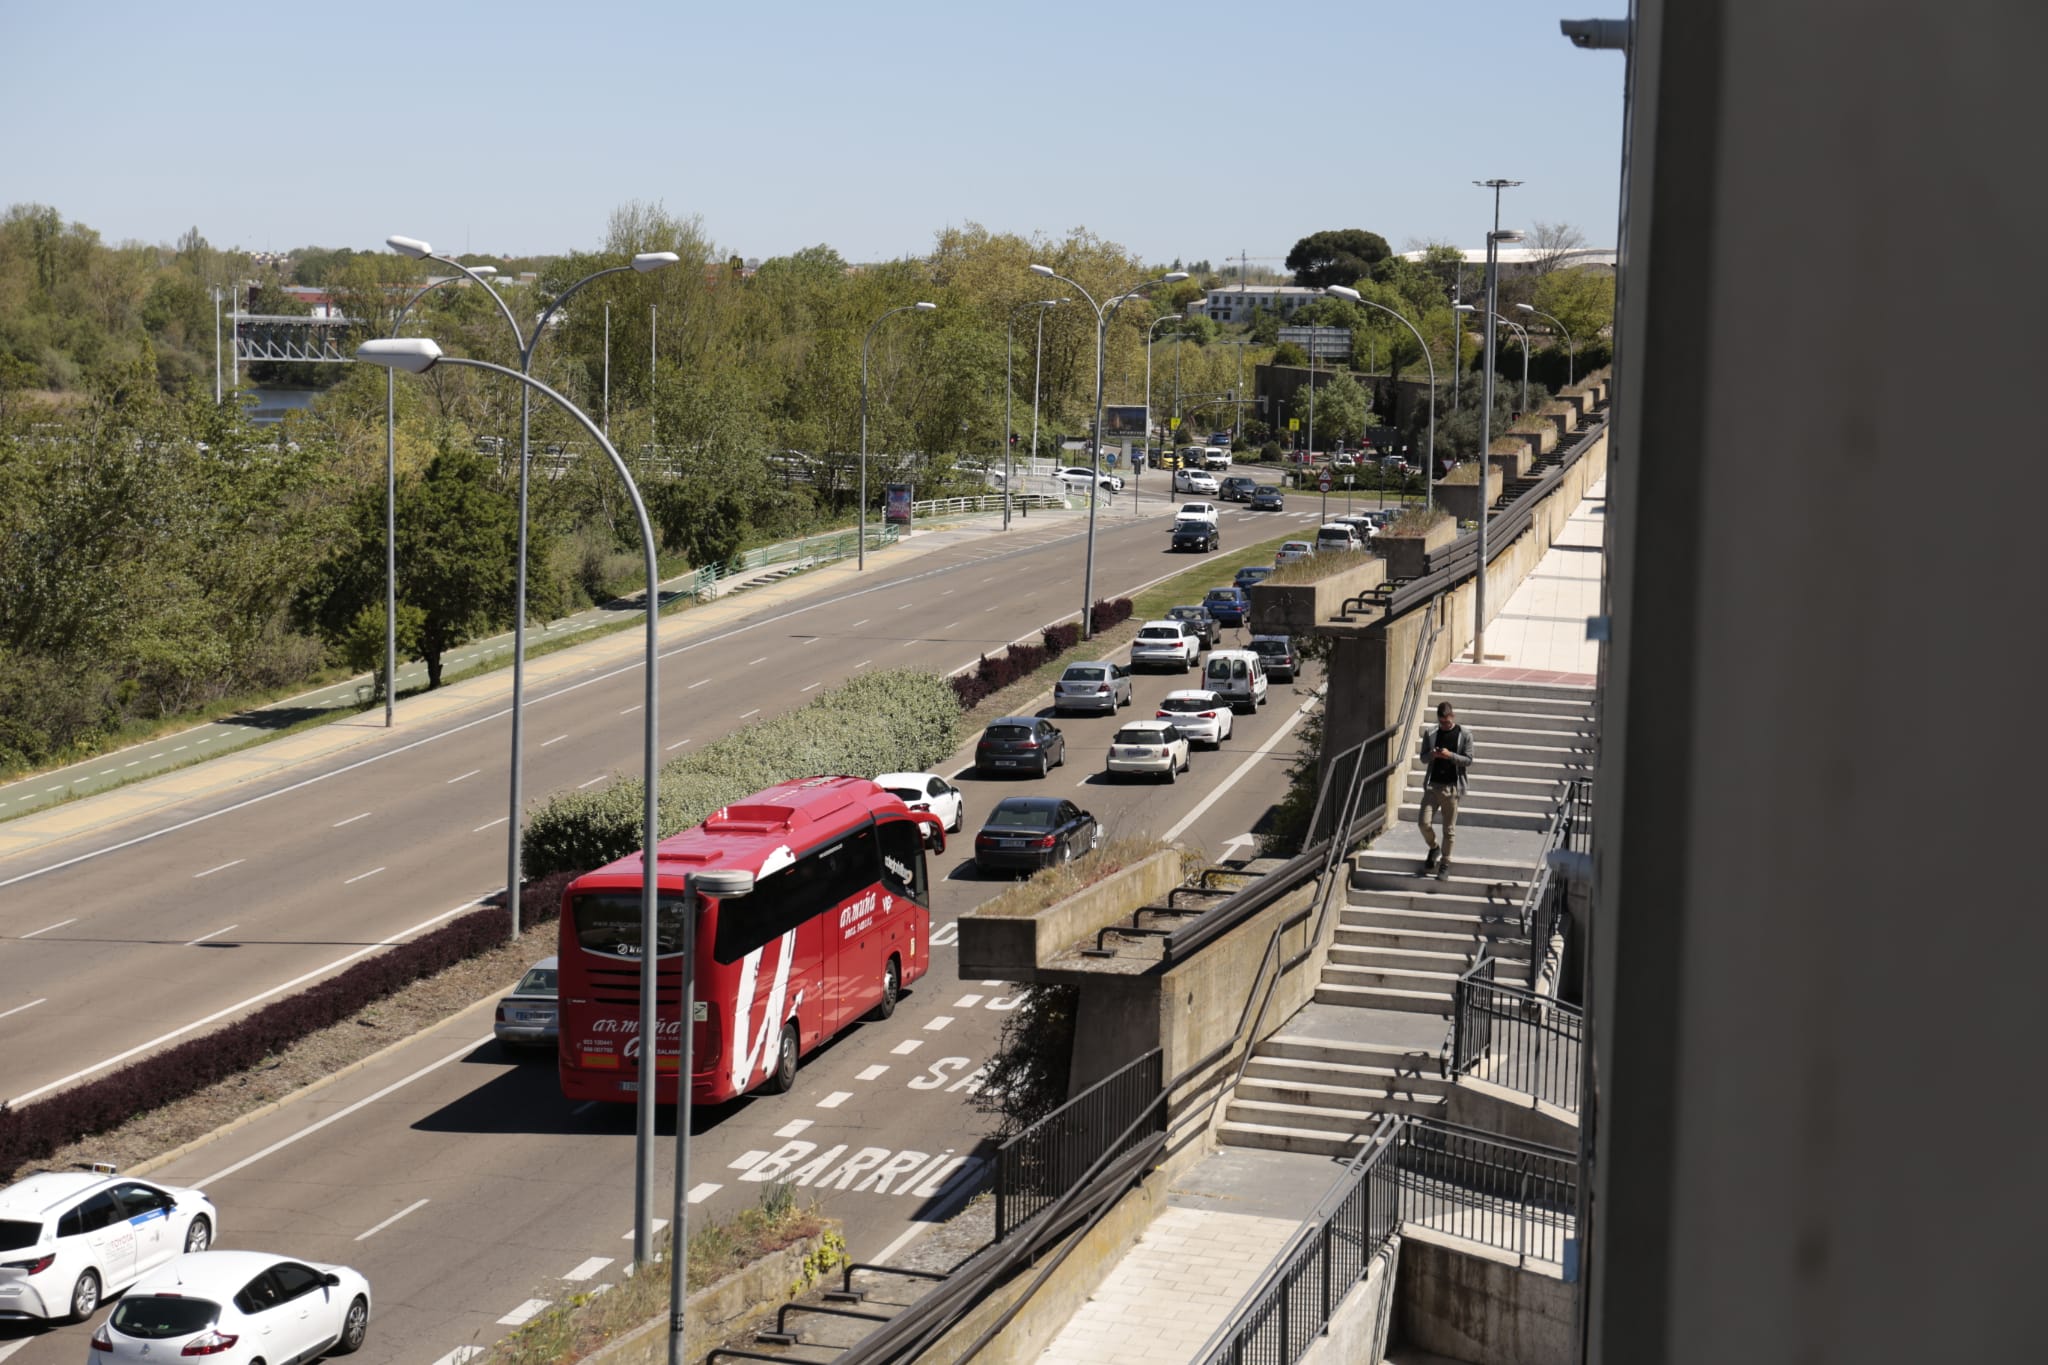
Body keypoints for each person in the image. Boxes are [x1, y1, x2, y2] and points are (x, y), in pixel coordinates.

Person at [1419, 700, 1473, 879]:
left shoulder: (1464, 734)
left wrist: (1450, 756)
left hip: (1451, 788)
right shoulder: (1431, 733)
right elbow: (1423, 758)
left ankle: (1445, 863)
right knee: (1423, 823)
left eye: (1447, 722)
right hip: (1432, 786)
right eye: (1441, 722)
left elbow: (1468, 760)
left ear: (1453, 717)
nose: (1444, 725)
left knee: (1448, 829)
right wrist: (1432, 754)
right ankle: (1434, 848)